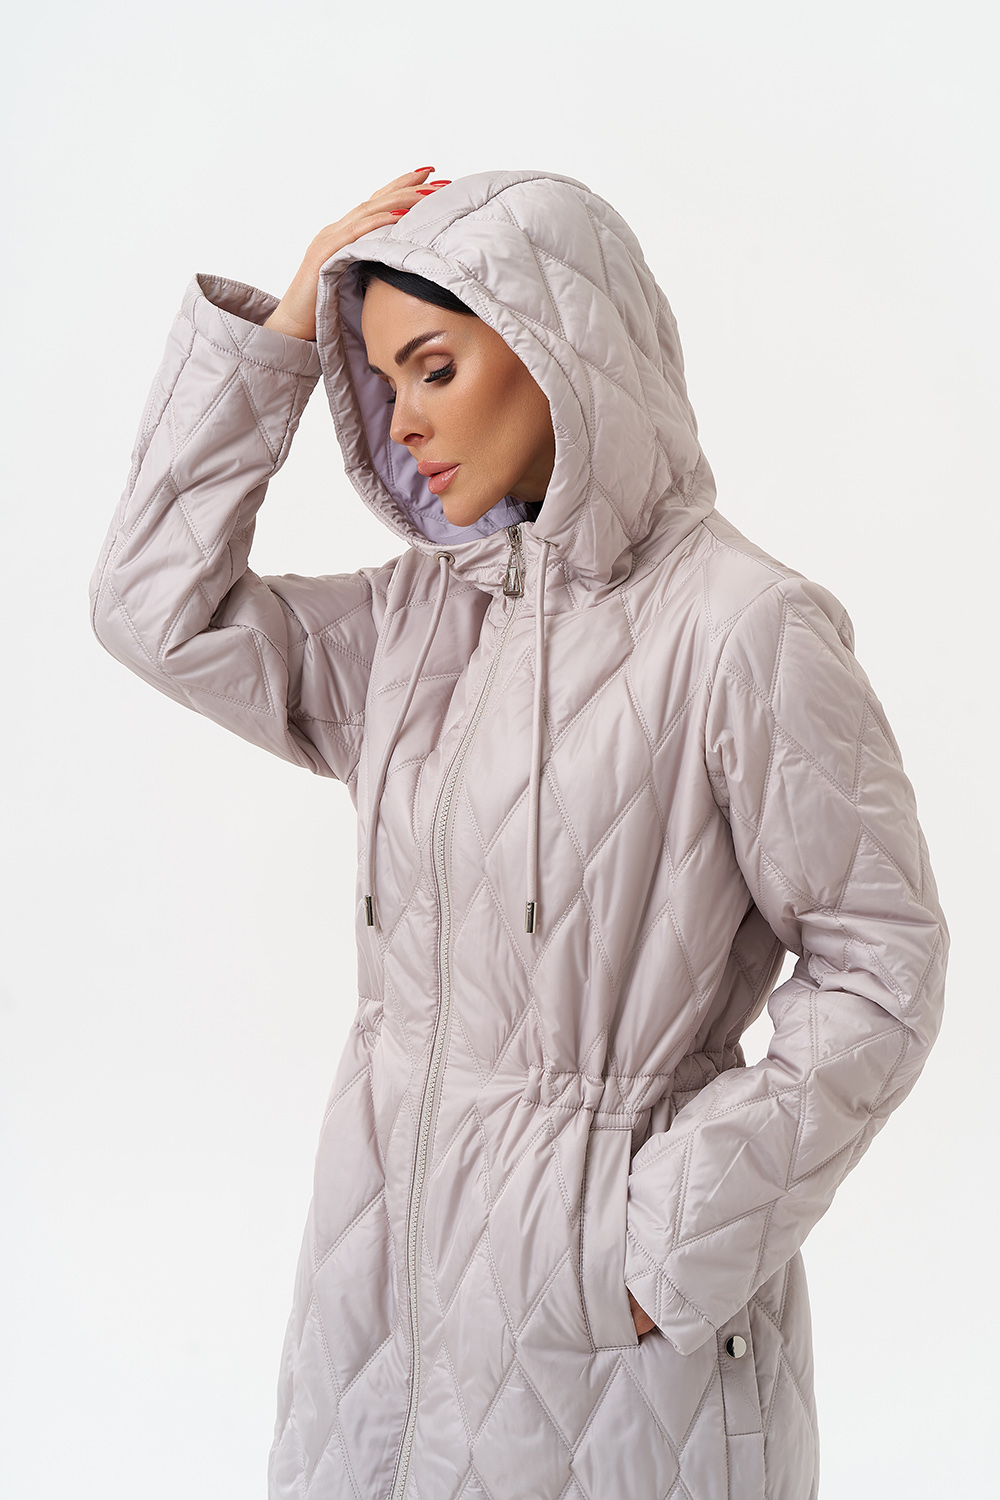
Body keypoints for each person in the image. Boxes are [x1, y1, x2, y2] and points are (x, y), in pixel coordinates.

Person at [90, 166, 948, 1500]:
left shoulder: (744, 627)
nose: (401, 418)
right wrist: (282, 336)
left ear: (559, 349)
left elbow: (882, 965)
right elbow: (154, 610)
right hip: (380, 1309)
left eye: (435, 367)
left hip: (615, 1347)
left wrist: (664, 1246)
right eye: (380, 378)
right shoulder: (415, 623)